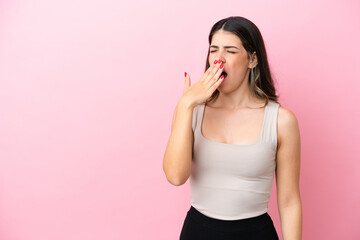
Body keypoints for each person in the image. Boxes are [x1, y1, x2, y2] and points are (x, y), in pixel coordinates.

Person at [163, 16, 302, 240]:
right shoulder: (191, 110)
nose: (218, 60)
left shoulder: (281, 121)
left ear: (253, 60)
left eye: (230, 51)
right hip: (198, 232)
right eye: (213, 50)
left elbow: (289, 202)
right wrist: (186, 104)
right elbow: (176, 176)